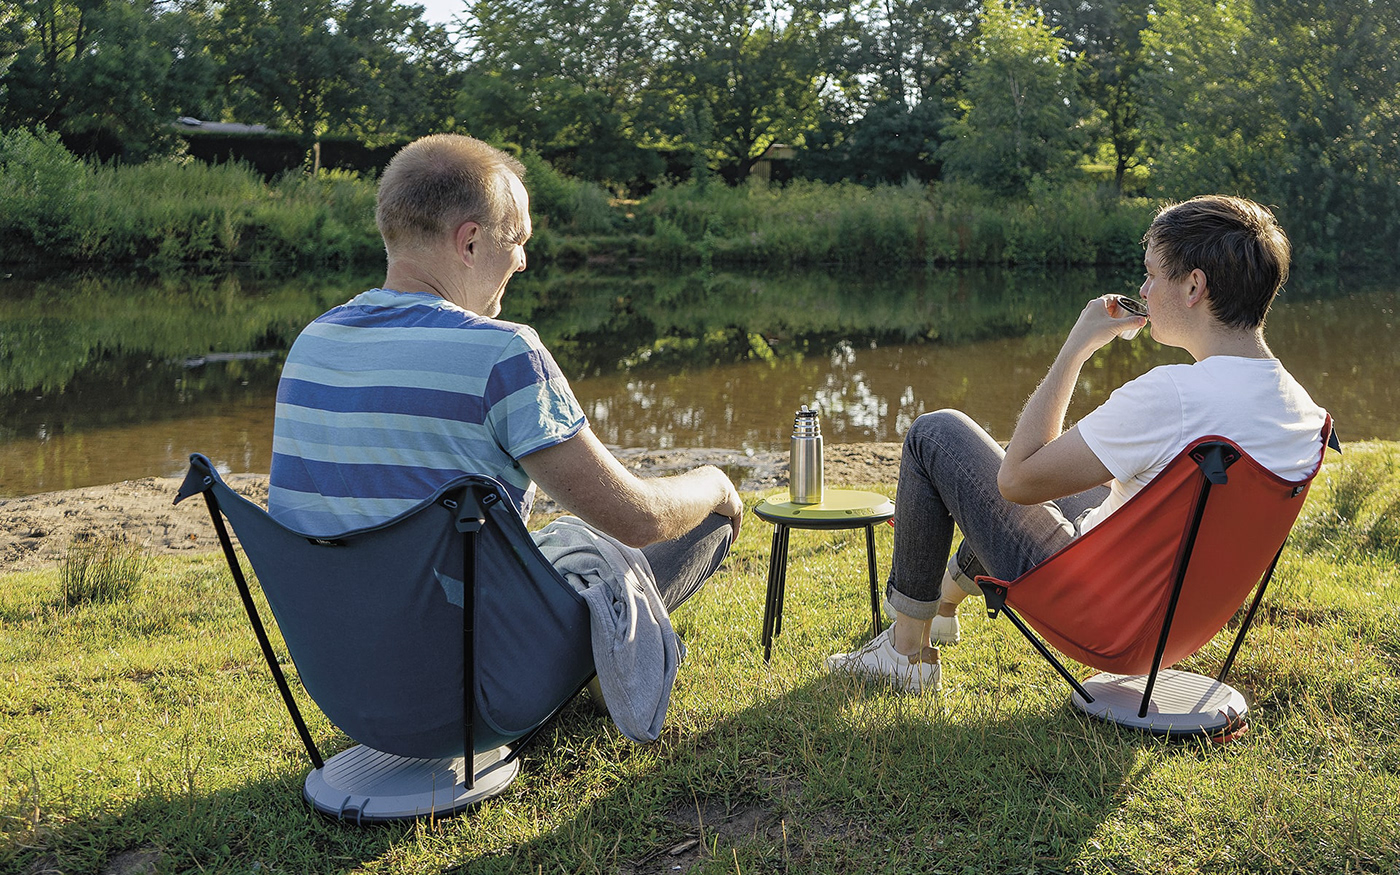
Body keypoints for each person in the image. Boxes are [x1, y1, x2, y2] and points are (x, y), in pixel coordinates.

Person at [267, 134, 743, 735]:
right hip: (477, 690)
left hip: (342, 684)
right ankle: (593, 669)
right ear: (469, 241)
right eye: (516, 240)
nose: (521, 261)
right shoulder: (503, 353)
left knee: (536, 540)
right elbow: (637, 518)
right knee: (702, 519)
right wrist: (717, 483)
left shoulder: (311, 344)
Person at [827, 194, 1328, 693]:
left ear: (1194, 285)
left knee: (935, 435)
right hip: (1175, 625)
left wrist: (1078, 345)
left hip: (1101, 614)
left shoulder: (1171, 395)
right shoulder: (1301, 410)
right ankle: (943, 605)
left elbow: (1018, 479)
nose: (1144, 289)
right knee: (1084, 476)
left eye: (1152, 274)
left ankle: (905, 653)